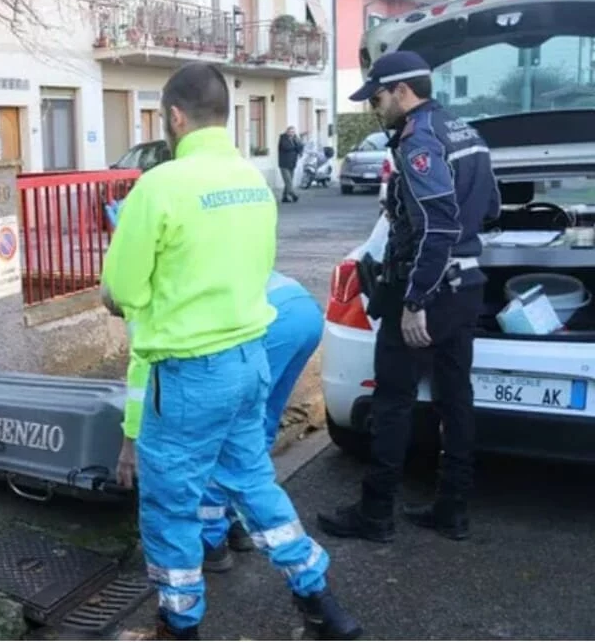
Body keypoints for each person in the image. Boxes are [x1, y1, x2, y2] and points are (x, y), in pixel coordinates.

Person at [100, 62, 359, 641]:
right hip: (249, 364)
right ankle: (321, 601)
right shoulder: (254, 182)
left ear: (174, 116)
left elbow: (123, 292)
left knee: (170, 506)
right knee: (253, 484)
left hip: (188, 377)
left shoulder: (159, 185)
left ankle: (179, 623)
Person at [318, 51, 500, 543]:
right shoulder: (465, 130)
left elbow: (438, 221)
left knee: (394, 401)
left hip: (427, 291)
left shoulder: (419, 139)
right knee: (455, 399)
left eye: (377, 98)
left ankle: (376, 515)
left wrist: (417, 298)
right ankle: (452, 510)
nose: (376, 108)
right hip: (468, 287)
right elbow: (492, 208)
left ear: (401, 91)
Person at [112, 271, 325, 574]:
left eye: (115, 311)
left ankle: (211, 541)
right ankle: (239, 522)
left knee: (217, 435)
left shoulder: (143, 306)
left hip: (270, 320)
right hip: (304, 311)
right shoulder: (177, 272)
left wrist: (130, 440)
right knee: (254, 425)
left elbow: (142, 376)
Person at [277, 126, 303, 203]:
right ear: (287, 132)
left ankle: (284, 197)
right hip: (284, 164)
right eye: (290, 132)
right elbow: (286, 147)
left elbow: (300, 147)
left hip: (292, 163)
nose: (292, 133)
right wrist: (296, 145)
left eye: (293, 132)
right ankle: (293, 194)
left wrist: (298, 145)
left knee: (289, 181)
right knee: (288, 181)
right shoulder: (283, 138)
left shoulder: (295, 139)